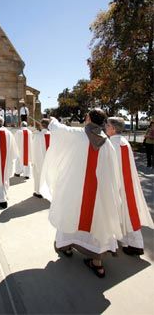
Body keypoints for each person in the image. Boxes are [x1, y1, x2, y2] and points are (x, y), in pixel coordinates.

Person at [40, 109, 122, 278]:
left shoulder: (76, 134)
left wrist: (53, 120)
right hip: (98, 195)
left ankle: (67, 246)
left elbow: (58, 129)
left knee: (71, 213)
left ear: (89, 119)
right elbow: (113, 173)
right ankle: (97, 263)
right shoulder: (107, 143)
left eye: (86, 116)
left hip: (75, 188)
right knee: (98, 220)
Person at [106, 117, 154, 255]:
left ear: (114, 128)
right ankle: (132, 243)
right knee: (128, 214)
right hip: (126, 184)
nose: (105, 126)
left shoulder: (113, 144)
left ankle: (133, 245)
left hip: (118, 186)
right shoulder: (122, 141)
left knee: (123, 213)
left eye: (107, 125)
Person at [32, 119, 51, 198]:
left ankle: (39, 192)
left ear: (41, 125)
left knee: (38, 175)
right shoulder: (53, 134)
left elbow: (34, 149)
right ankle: (49, 192)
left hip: (39, 160)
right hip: (50, 160)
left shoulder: (37, 136)